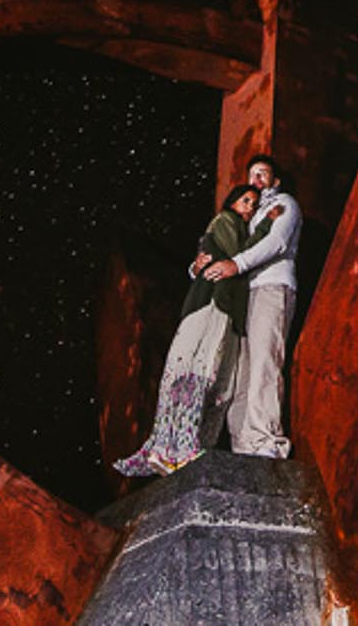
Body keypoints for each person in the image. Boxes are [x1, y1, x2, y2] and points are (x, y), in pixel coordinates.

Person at [111, 181, 282, 476]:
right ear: (231, 202)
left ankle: (189, 450)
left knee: (219, 382)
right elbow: (237, 254)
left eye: (253, 203)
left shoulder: (237, 227)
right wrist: (266, 225)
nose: (249, 207)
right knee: (196, 372)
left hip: (227, 311)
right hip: (211, 305)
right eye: (245, 200)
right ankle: (171, 449)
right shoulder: (225, 222)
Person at [199, 155, 301, 459]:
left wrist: (237, 264)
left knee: (264, 362)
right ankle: (244, 444)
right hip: (245, 296)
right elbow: (227, 247)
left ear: (275, 180)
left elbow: (276, 243)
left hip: (271, 287)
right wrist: (200, 264)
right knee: (241, 371)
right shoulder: (248, 215)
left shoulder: (284, 204)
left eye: (263, 174)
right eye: (252, 175)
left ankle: (266, 439)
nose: (256, 180)